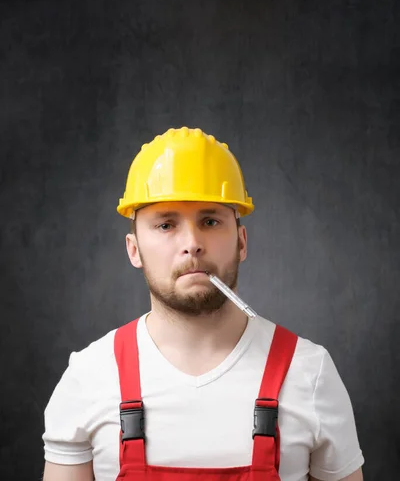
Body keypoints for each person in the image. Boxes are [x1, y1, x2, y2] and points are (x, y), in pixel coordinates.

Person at [42, 127, 364, 481]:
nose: (192, 243)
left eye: (210, 221)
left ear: (241, 242)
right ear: (134, 249)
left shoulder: (309, 373)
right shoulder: (89, 377)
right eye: (166, 225)